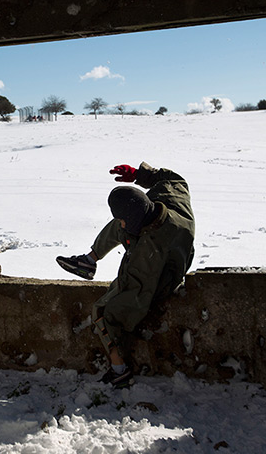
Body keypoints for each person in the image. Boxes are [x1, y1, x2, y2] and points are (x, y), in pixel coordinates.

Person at [57, 161, 195, 388]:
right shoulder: (170, 196)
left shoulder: (146, 255)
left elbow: (137, 293)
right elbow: (175, 178)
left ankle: (119, 370)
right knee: (123, 220)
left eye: (124, 219)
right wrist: (139, 174)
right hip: (172, 238)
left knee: (102, 312)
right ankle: (89, 261)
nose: (120, 222)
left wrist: (114, 308)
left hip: (165, 272)